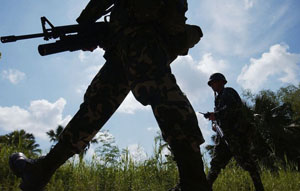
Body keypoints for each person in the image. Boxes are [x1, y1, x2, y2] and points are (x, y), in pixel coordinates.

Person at [9, 0, 210, 190]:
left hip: (143, 41)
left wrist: (85, 22)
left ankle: (194, 183)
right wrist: (87, 30)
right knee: (95, 106)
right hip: (124, 46)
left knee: (166, 100)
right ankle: (42, 170)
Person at [205, 73, 264, 191]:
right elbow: (221, 115)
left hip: (237, 136)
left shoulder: (228, 92)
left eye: (214, 82)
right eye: (211, 84)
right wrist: (215, 124)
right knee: (216, 163)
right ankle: (206, 187)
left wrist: (215, 115)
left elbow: (231, 109)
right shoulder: (218, 99)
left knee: (247, 163)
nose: (212, 86)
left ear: (221, 82)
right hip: (224, 137)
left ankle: (259, 188)